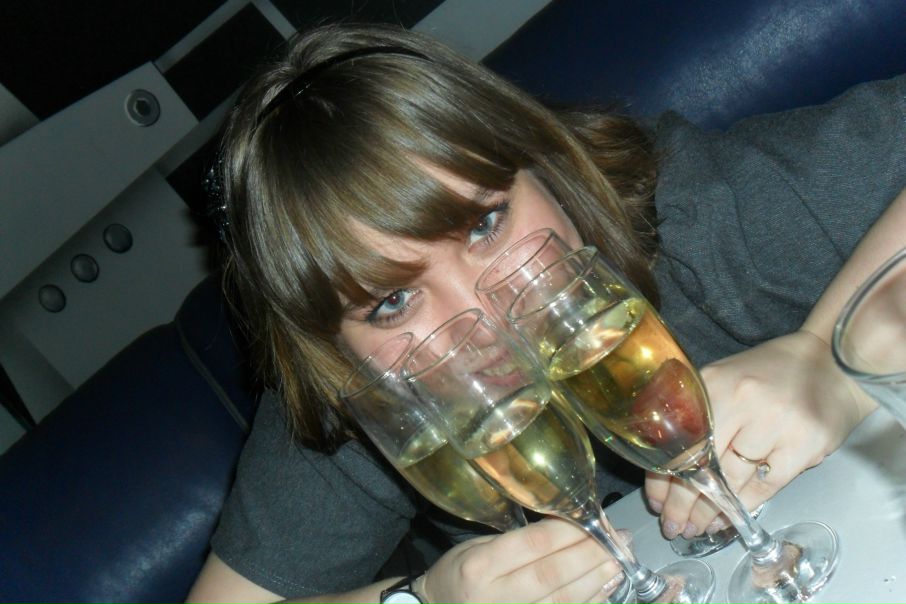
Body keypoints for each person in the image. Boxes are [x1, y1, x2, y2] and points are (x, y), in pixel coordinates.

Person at [187, 22, 906, 604]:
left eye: (484, 224)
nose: (482, 319)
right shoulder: (365, 406)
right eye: (391, 301)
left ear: (542, 163)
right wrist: (422, 600)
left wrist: (830, 363)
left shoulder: (703, 216)